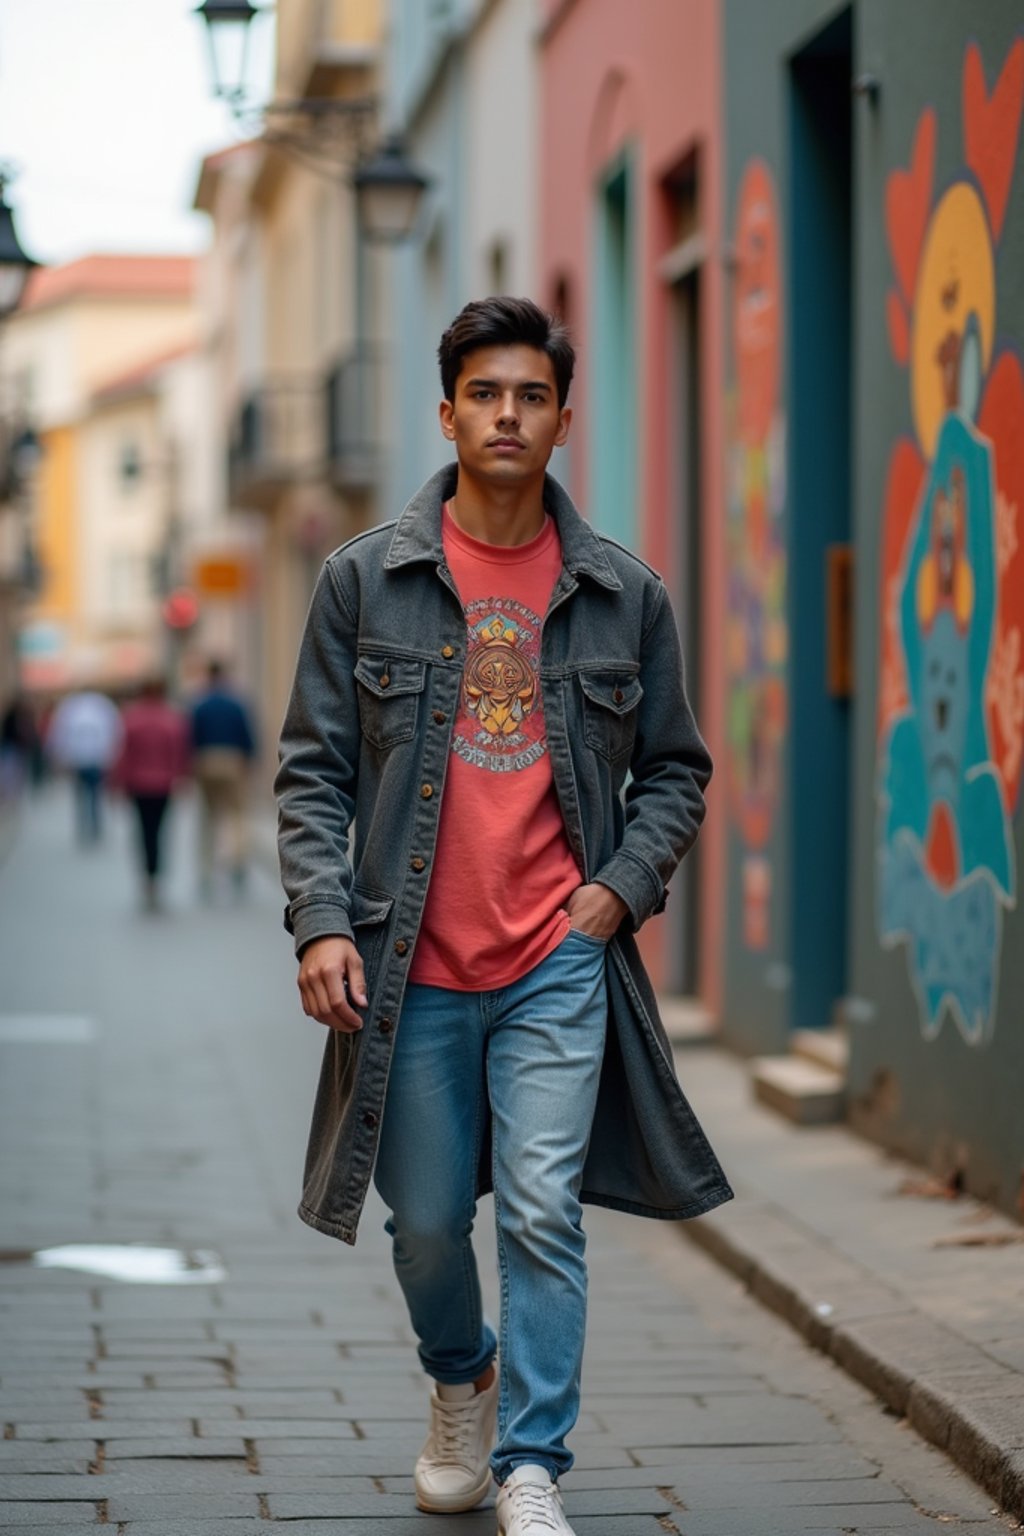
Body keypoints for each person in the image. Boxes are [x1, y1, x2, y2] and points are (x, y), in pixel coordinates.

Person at [275, 297, 732, 1536]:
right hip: (409, 963)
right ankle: (458, 1374)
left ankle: (532, 1462)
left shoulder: (622, 593)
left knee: (539, 1205)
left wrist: (615, 893)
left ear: (563, 421)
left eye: (531, 396)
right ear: (448, 412)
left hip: (554, 961)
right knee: (424, 1225)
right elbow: (313, 766)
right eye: (485, 394)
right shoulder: (362, 579)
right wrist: (322, 921)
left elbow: (676, 767)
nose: (508, 415)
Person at [111, 677, 190, 911]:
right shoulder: (172, 719)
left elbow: (124, 753)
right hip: (163, 784)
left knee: (144, 831)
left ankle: (148, 877)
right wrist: (181, 778)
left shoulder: (131, 718)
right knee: (160, 831)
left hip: (138, 785)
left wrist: (119, 783)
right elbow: (179, 752)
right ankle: (156, 877)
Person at [190, 660, 257, 897]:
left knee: (207, 819)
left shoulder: (200, 704)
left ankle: (206, 872)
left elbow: (191, 736)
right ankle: (237, 863)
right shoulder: (236, 703)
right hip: (233, 761)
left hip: (205, 760)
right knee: (237, 816)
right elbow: (247, 735)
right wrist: (249, 761)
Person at [46, 686, 122, 844]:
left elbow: (59, 733)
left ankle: (84, 827)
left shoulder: (70, 707)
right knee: (94, 794)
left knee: (81, 795)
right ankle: (94, 827)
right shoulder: (102, 705)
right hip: (95, 758)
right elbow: (115, 732)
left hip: (79, 758)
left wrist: (59, 755)